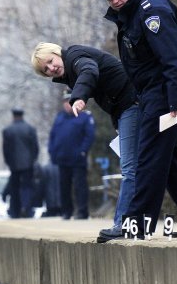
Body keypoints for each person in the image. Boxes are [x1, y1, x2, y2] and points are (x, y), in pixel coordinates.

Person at [90, 0, 177, 239]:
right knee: (168, 161)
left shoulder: (151, 11)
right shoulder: (131, 15)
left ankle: (136, 225)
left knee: (148, 159)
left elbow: (174, 59)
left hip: (165, 96)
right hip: (152, 95)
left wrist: (176, 101)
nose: (113, 0)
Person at [31, 42, 139, 240]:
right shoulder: (70, 72)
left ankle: (124, 223)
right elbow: (109, 94)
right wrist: (117, 121)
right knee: (163, 162)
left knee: (130, 167)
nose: (51, 69)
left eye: (50, 62)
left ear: (56, 52)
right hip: (127, 107)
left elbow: (89, 70)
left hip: (133, 103)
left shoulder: (74, 57)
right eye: (46, 70)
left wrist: (79, 97)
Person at [47, 98, 95, 219]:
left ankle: (82, 212)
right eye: (65, 101)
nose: (67, 105)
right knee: (64, 186)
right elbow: (53, 136)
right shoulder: (59, 117)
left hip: (78, 159)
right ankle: (66, 211)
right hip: (62, 158)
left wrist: (82, 151)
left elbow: (89, 136)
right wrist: (52, 152)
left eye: (70, 101)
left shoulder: (84, 117)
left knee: (80, 186)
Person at [1, 107, 40, 218]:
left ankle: (15, 210)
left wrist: (8, 161)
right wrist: (33, 159)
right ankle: (26, 208)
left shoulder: (7, 130)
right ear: (22, 116)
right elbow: (35, 147)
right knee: (27, 186)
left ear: (13, 116)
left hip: (14, 164)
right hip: (28, 163)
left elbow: (5, 149)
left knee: (15, 187)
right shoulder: (30, 129)